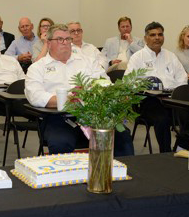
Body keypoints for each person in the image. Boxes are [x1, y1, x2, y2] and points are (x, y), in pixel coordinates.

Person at [25, 23, 135, 156]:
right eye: (60, 39)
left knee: (122, 136)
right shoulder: (38, 68)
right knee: (61, 142)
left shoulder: (87, 62)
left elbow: (104, 83)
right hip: (59, 117)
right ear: (48, 43)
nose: (65, 43)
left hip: (93, 115)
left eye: (68, 39)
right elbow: (35, 96)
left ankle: (119, 174)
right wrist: (70, 99)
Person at [125, 22, 189, 152]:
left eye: (160, 34)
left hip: (171, 98)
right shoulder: (138, 58)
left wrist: (176, 92)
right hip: (148, 100)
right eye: (153, 35)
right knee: (162, 119)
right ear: (145, 38)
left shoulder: (170, 56)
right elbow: (128, 82)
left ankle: (181, 147)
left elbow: (182, 78)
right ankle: (165, 153)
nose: (157, 37)